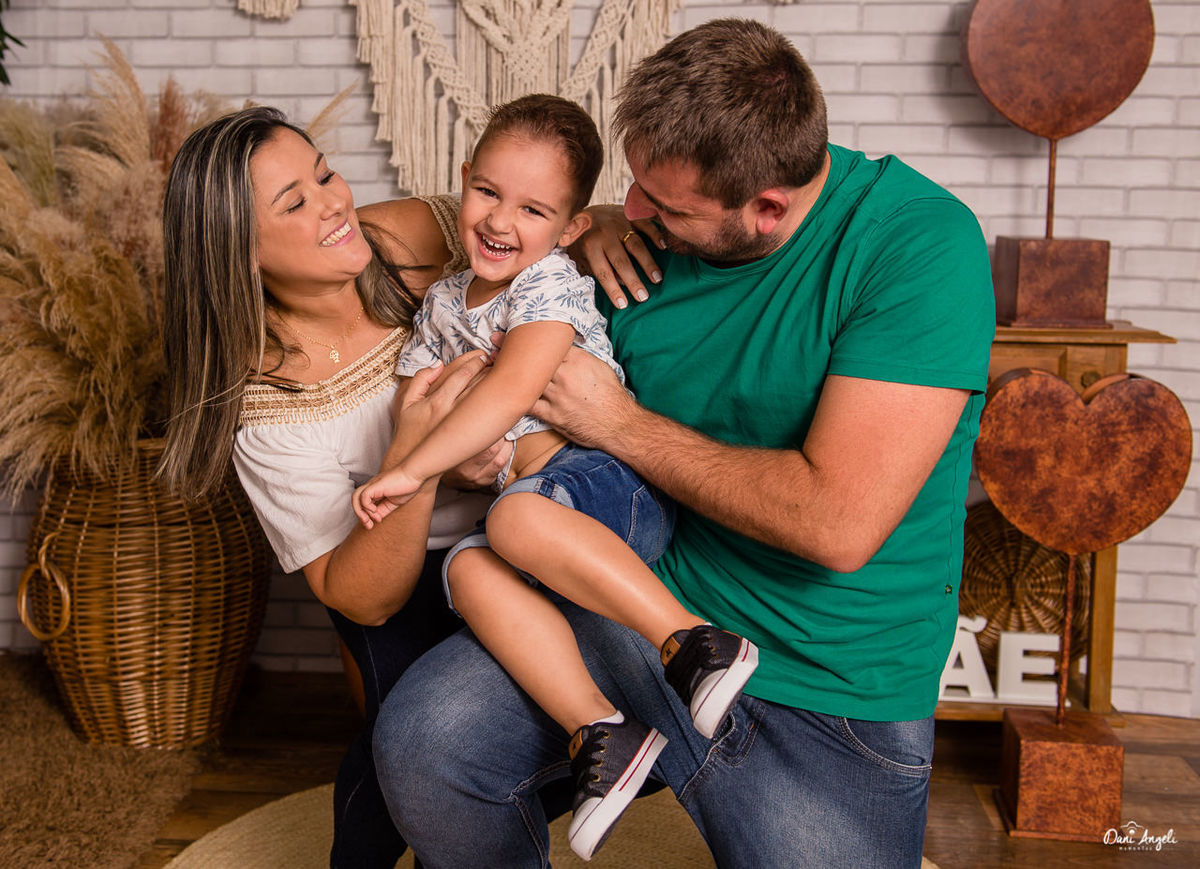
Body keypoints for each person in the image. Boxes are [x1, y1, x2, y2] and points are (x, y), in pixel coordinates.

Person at [371, 17, 996, 868]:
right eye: (632, 188)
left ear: (765, 209)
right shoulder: (627, 241)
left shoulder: (915, 244)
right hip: (630, 606)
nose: (636, 213)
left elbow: (836, 523)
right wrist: (581, 228)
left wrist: (618, 423)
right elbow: (536, 401)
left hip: (826, 682)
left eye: (663, 206)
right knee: (424, 746)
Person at [351, 94, 758, 861]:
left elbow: (510, 390)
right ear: (463, 179)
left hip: (607, 482)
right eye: (488, 192)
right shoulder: (442, 302)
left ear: (570, 229)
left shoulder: (548, 285)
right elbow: (420, 401)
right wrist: (424, 448)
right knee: (466, 569)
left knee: (512, 520)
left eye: (533, 209)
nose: (501, 220)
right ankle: (600, 730)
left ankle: (695, 642)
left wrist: (412, 470)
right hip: (533, 502)